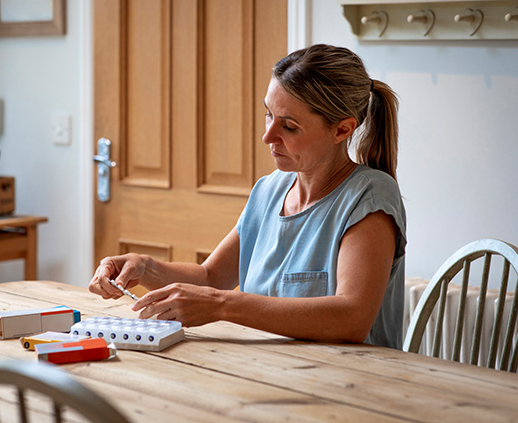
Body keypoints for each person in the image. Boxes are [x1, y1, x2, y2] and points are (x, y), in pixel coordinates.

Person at [89, 44, 407, 349]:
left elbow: (352, 317)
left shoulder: (370, 195)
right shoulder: (268, 190)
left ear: (342, 130)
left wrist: (224, 305)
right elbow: (212, 278)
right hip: (264, 373)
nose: (267, 136)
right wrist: (144, 268)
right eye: (268, 114)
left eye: (290, 126)